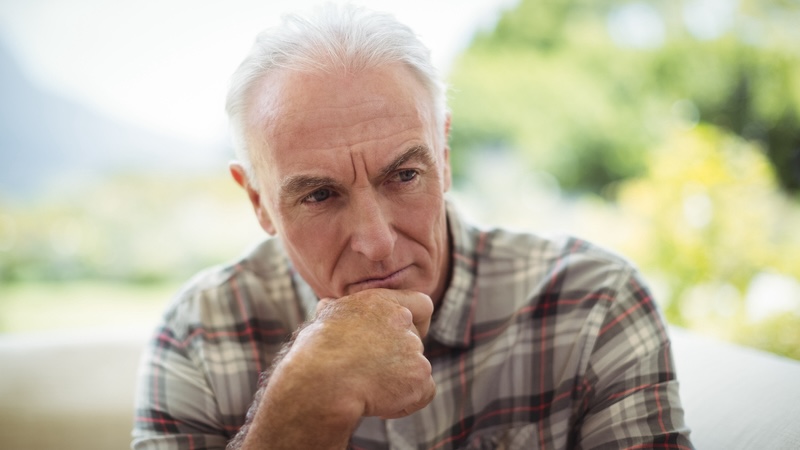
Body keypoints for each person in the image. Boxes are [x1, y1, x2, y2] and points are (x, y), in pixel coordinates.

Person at [132, 3, 693, 449]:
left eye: (403, 174)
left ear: (443, 155)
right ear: (258, 201)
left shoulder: (592, 302)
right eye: (320, 194)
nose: (376, 243)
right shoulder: (197, 336)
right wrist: (295, 415)